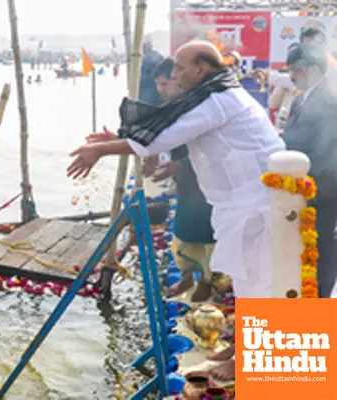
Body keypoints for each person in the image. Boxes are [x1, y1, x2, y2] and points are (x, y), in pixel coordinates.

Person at [68, 40, 286, 381]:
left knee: (259, 287)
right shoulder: (215, 95)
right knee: (248, 285)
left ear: (202, 67)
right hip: (241, 205)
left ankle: (250, 367)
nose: (175, 74)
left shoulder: (218, 99)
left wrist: (103, 150)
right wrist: (117, 139)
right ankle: (242, 350)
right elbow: (176, 141)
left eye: (180, 68)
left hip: (256, 205)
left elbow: (161, 139)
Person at [141, 57, 222, 303]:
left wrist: (179, 164)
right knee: (183, 231)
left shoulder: (204, 107)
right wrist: (153, 155)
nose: (160, 90)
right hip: (186, 182)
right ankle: (187, 277)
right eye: (158, 84)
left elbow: (216, 150)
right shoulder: (172, 106)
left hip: (208, 183)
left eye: (165, 84)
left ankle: (207, 281)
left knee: (207, 233)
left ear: (179, 82)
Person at [282, 43, 337, 297]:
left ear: (313, 69)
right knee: (304, 251)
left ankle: (319, 310)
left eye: (296, 70)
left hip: (322, 189)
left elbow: (325, 148)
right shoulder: (300, 98)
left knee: (321, 250)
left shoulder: (329, 99)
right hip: (302, 188)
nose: (292, 76)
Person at [139, 37, 164, 105]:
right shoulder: (159, 57)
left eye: (145, 45)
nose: (143, 48)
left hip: (150, 97)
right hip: (152, 96)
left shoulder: (144, 60)